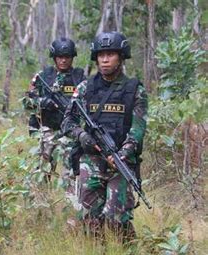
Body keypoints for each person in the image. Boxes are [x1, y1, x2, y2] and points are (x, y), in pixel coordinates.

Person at [61, 32, 148, 241]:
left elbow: (138, 129)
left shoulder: (135, 90)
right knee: (90, 220)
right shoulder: (84, 88)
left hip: (121, 163)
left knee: (117, 220)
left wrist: (122, 153)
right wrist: (82, 135)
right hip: (90, 161)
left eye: (111, 54)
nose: (105, 59)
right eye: (101, 55)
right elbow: (67, 122)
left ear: (121, 57)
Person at [23, 38, 85, 203]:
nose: (63, 60)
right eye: (59, 57)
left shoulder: (80, 77)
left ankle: (71, 206)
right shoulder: (43, 77)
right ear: (54, 57)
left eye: (67, 56)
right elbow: (27, 103)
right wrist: (42, 102)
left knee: (70, 171)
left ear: (72, 57)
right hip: (47, 131)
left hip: (70, 132)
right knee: (42, 170)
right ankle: (39, 205)